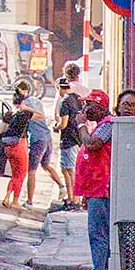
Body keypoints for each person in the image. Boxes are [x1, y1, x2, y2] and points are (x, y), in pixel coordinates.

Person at [72, 89, 114, 270]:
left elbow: (91, 145)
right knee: (98, 234)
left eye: (90, 105)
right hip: (95, 190)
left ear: (101, 107)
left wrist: (81, 125)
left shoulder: (107, 125)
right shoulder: (101, 125)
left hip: (101, 189)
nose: (86, 109)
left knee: (98, 235)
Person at [55, 60, 86, 209]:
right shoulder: (79, 97)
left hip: (69, 138)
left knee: (68, 169)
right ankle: (75, 198)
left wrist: (56, 127)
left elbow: (63, 123)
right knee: (71, 168)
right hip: (80, 136)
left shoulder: (65, 101)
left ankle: (74, 199)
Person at [0, 80, 35, 209]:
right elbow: (40, 116)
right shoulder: (25, 113)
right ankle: (15, 201)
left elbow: (0, 130)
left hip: (8, 146)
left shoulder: (8, 114)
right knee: (21, 174)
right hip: (20, 145)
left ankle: (7, 197)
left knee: (14, 174)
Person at [25, 92, 64, 206]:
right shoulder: (36, 102)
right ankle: (61, 186)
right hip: (47, 138)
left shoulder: (28, 108)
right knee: (45, 165)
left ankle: (29, 201)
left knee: (32, 170)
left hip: (38, 140)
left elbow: (37, 116)